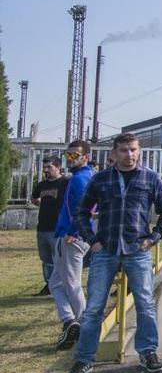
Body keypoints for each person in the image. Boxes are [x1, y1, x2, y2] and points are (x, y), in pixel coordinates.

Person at [65, 133, 162, 373]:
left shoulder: (150, 178)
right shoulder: (100, 180)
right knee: (93, 308)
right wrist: (92, 241)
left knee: (145, 304)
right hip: (106, 251)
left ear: (140, 150)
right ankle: (84, 358)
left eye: (134, 149)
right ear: (113, 153)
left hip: (138, 251)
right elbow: (81, 213)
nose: (129, 155)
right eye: (124, 150)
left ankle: (148, 352)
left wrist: (153, 238)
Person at [48, 140, 94, 350]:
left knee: (71, 283)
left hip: (73, 239)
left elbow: (87, 207)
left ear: (86, 156)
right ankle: (70, 321)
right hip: (71, 236)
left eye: (75, 155)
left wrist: (73, 232)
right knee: (56, 282)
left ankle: (85, 325)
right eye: (68, 155)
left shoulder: (81, 179)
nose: (70, 159)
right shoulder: (80, 177)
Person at [30, 156, 67, 296]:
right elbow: (34, 198)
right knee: (46, 259)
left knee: (58, 258)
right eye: (44, 167)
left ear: (58, 167)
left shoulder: (65, 182)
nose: (46, 170)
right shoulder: (42, 185)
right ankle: (49, 284)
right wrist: (43, 205)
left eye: (49, 167)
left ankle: (60, 285)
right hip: (42, 227)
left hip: (57, 228)